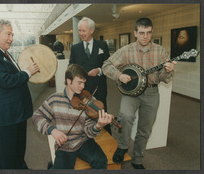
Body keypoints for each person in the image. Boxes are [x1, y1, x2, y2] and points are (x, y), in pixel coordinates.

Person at [102, 17, 177, 169]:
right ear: (135, 33)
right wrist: (119, 75)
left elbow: (163, 77)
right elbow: (106, 65)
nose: (145, 36)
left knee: (145, 128)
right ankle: (123, 146)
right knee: (126, 116)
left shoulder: (161, 51)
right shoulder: (126, 50)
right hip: (131, 94)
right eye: (142, 33)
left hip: (151, 92)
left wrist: (168, 71)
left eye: (148, 33)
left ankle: (137, 159)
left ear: (152, 32)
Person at [0, 19, 40, 169]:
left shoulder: (4, 53)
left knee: (18, 153)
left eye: (12, 34)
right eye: (8, 34)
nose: (12, 38)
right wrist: (27, 72)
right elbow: (6, 81)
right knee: (7, 158)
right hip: (6, 117)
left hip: (17, 113)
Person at [32, 64, 113, 169]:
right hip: (65, 144)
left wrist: (97, 126)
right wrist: (52, 130)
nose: (83, 87)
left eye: (84, 83)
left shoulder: (89, 100)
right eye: (79, 83)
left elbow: (89, 131)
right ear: (69, 81)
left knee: (101, 161)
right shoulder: (55, 98)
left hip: (83, 140)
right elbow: (37, 116)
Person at [69, 17, 111, 134]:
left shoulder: (102, 45)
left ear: (91, 30)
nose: (81, 34)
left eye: (84, 31)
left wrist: (99, 70)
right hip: (81, 92)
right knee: (83, 119)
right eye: (79, 31)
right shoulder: (75, 48)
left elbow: (108, 66)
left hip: (99, 89)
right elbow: (70, 67)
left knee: (102, 115)